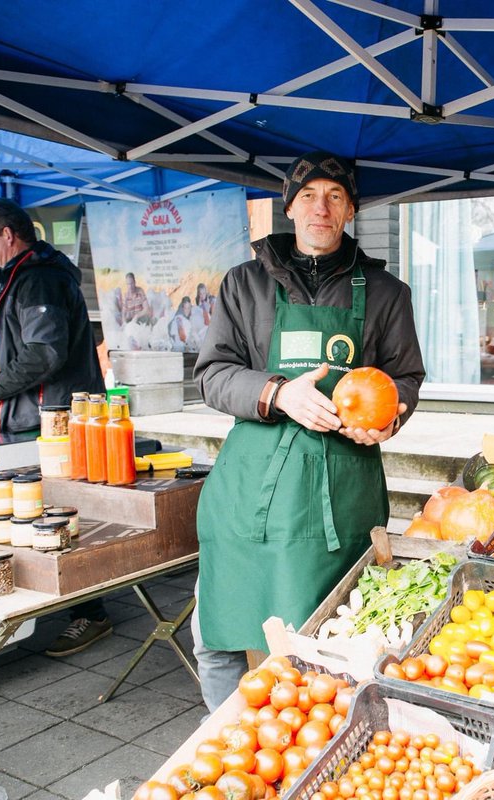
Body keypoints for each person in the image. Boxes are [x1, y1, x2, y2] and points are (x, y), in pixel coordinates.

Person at [192, 151, 425, 710]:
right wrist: (277, 393)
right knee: (219, 637)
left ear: (350, 211)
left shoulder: (387, 292)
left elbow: (406, 379)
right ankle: (236, 746)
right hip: (251, 491)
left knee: (330, 641)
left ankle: (321, 752)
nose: (321, 207)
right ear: (290, 205)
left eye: (335, 197)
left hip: (338, 492)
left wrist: (390, 419)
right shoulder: (243, 285)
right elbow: (213, 374)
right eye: (310, 195)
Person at [0, 198, 114, 656]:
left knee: (55, 511)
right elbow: (26, 343)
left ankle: (90, 614)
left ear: (7, 234)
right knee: (41, 512)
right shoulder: (26, 276)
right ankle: (63, 603)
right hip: (43, 416)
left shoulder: (37, 277)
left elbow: (44, 353)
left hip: (54, 420)